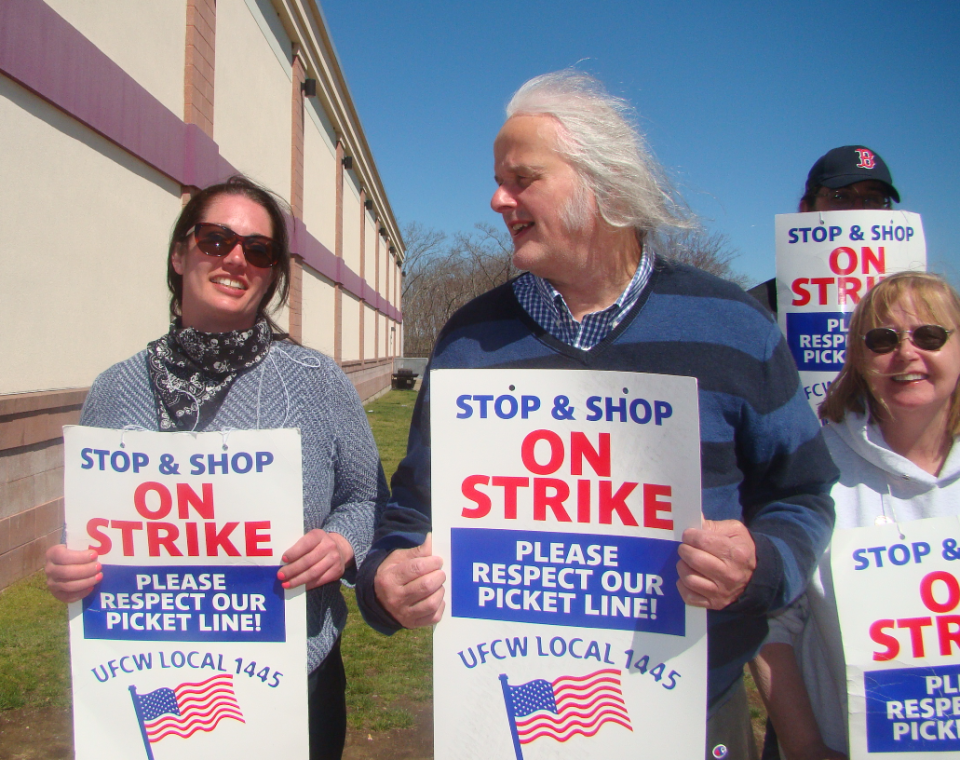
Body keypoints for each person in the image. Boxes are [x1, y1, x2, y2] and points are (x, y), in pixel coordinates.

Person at [355, 70, 838, 759]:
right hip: (508, 718)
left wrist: (759, 564)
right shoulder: (469, 341)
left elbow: (803, 495)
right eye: (500, 180)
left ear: (602, 184)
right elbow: (410, 514)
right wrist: (387, 579)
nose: (497, 200)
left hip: (694, 719)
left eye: (523, 179)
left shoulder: (735, 328)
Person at [44, 175, 386, 760]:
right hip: (151, 676)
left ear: (273, 274)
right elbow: (90, 526)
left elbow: (368, 499)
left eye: (258, 250)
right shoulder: (115, 389)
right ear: (180, 254)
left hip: (292, 676)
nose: (235, 258)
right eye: (215, 239)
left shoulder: (317, 382)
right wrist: (68, 565)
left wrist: (341, 543)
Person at [753, 271, 960, 760]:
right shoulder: (814, 468)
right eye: (883, 339)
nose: (907, 354)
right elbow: (771, 625)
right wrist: (805, 747)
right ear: (860, 360)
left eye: (930, 335)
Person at [748, 145, 901, 313]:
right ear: (806, 209)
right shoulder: (754, 313)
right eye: (840, 197)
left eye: (873, 199)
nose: (859, 210)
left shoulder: (921, 315)